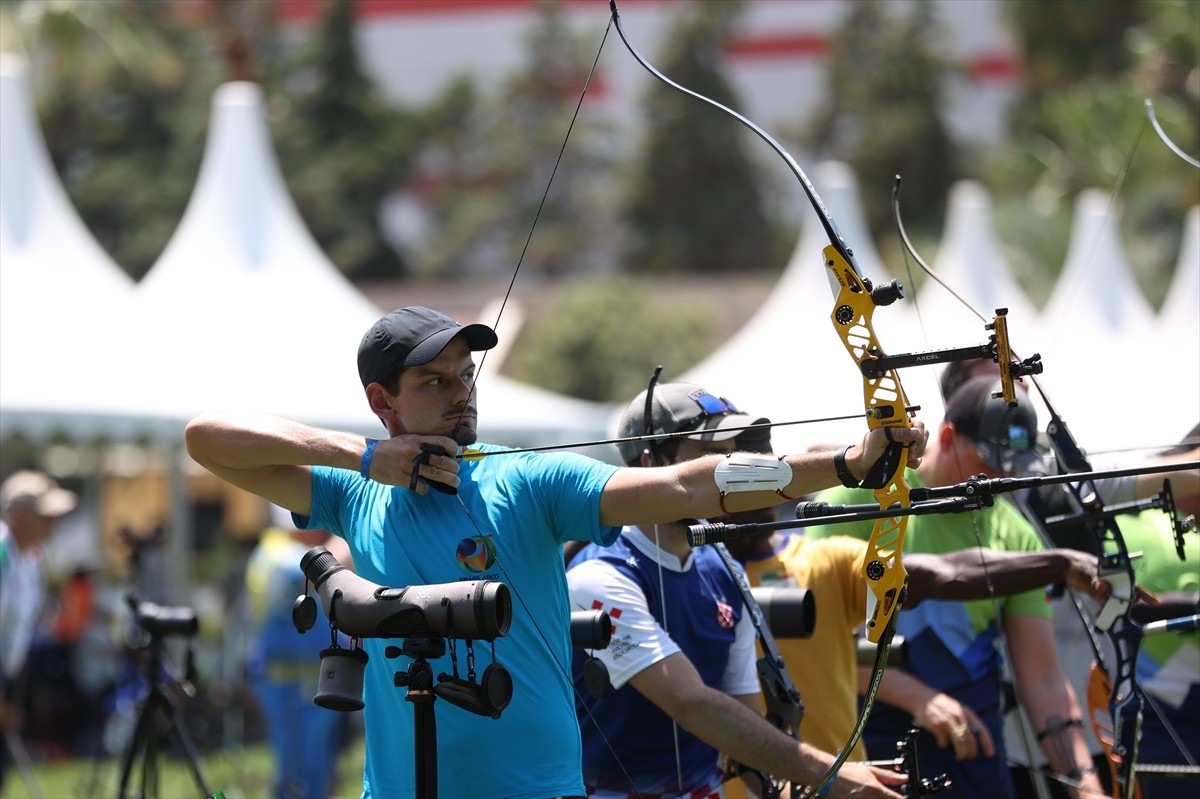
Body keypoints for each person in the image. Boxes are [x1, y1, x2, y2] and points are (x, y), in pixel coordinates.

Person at [183, 306, 928, 799]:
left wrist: (841, 464)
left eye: (465, 376)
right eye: (433, 381)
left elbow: (682, 484)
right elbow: (206, 437)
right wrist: (362, 455)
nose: (460, 393)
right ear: (383, 402)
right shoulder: (353, 492)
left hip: (538, 788)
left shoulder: (527, 479)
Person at [805, 375, 1107, 799]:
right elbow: (814, 635)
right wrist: (917, 697)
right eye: (989, 459)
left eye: (1012, 465)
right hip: (868, 744)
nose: (1002, 475)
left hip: (973, 752)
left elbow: (1044, 680)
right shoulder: (860, 498)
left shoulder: (1017, 536)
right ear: (947, 437)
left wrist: (1085, 784)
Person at [245, 505, 355, 799]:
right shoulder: (277, 554)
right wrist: (350, 533)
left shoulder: (276, 551)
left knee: (314, 767)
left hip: (307, 683)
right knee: (298, 770)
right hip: (290, 686)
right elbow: (316, 570)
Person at [0, 470, 78, 795]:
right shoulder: (2, 553)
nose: (53, 522)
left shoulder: (33, 560)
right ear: (18, 516)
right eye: (44, 514)